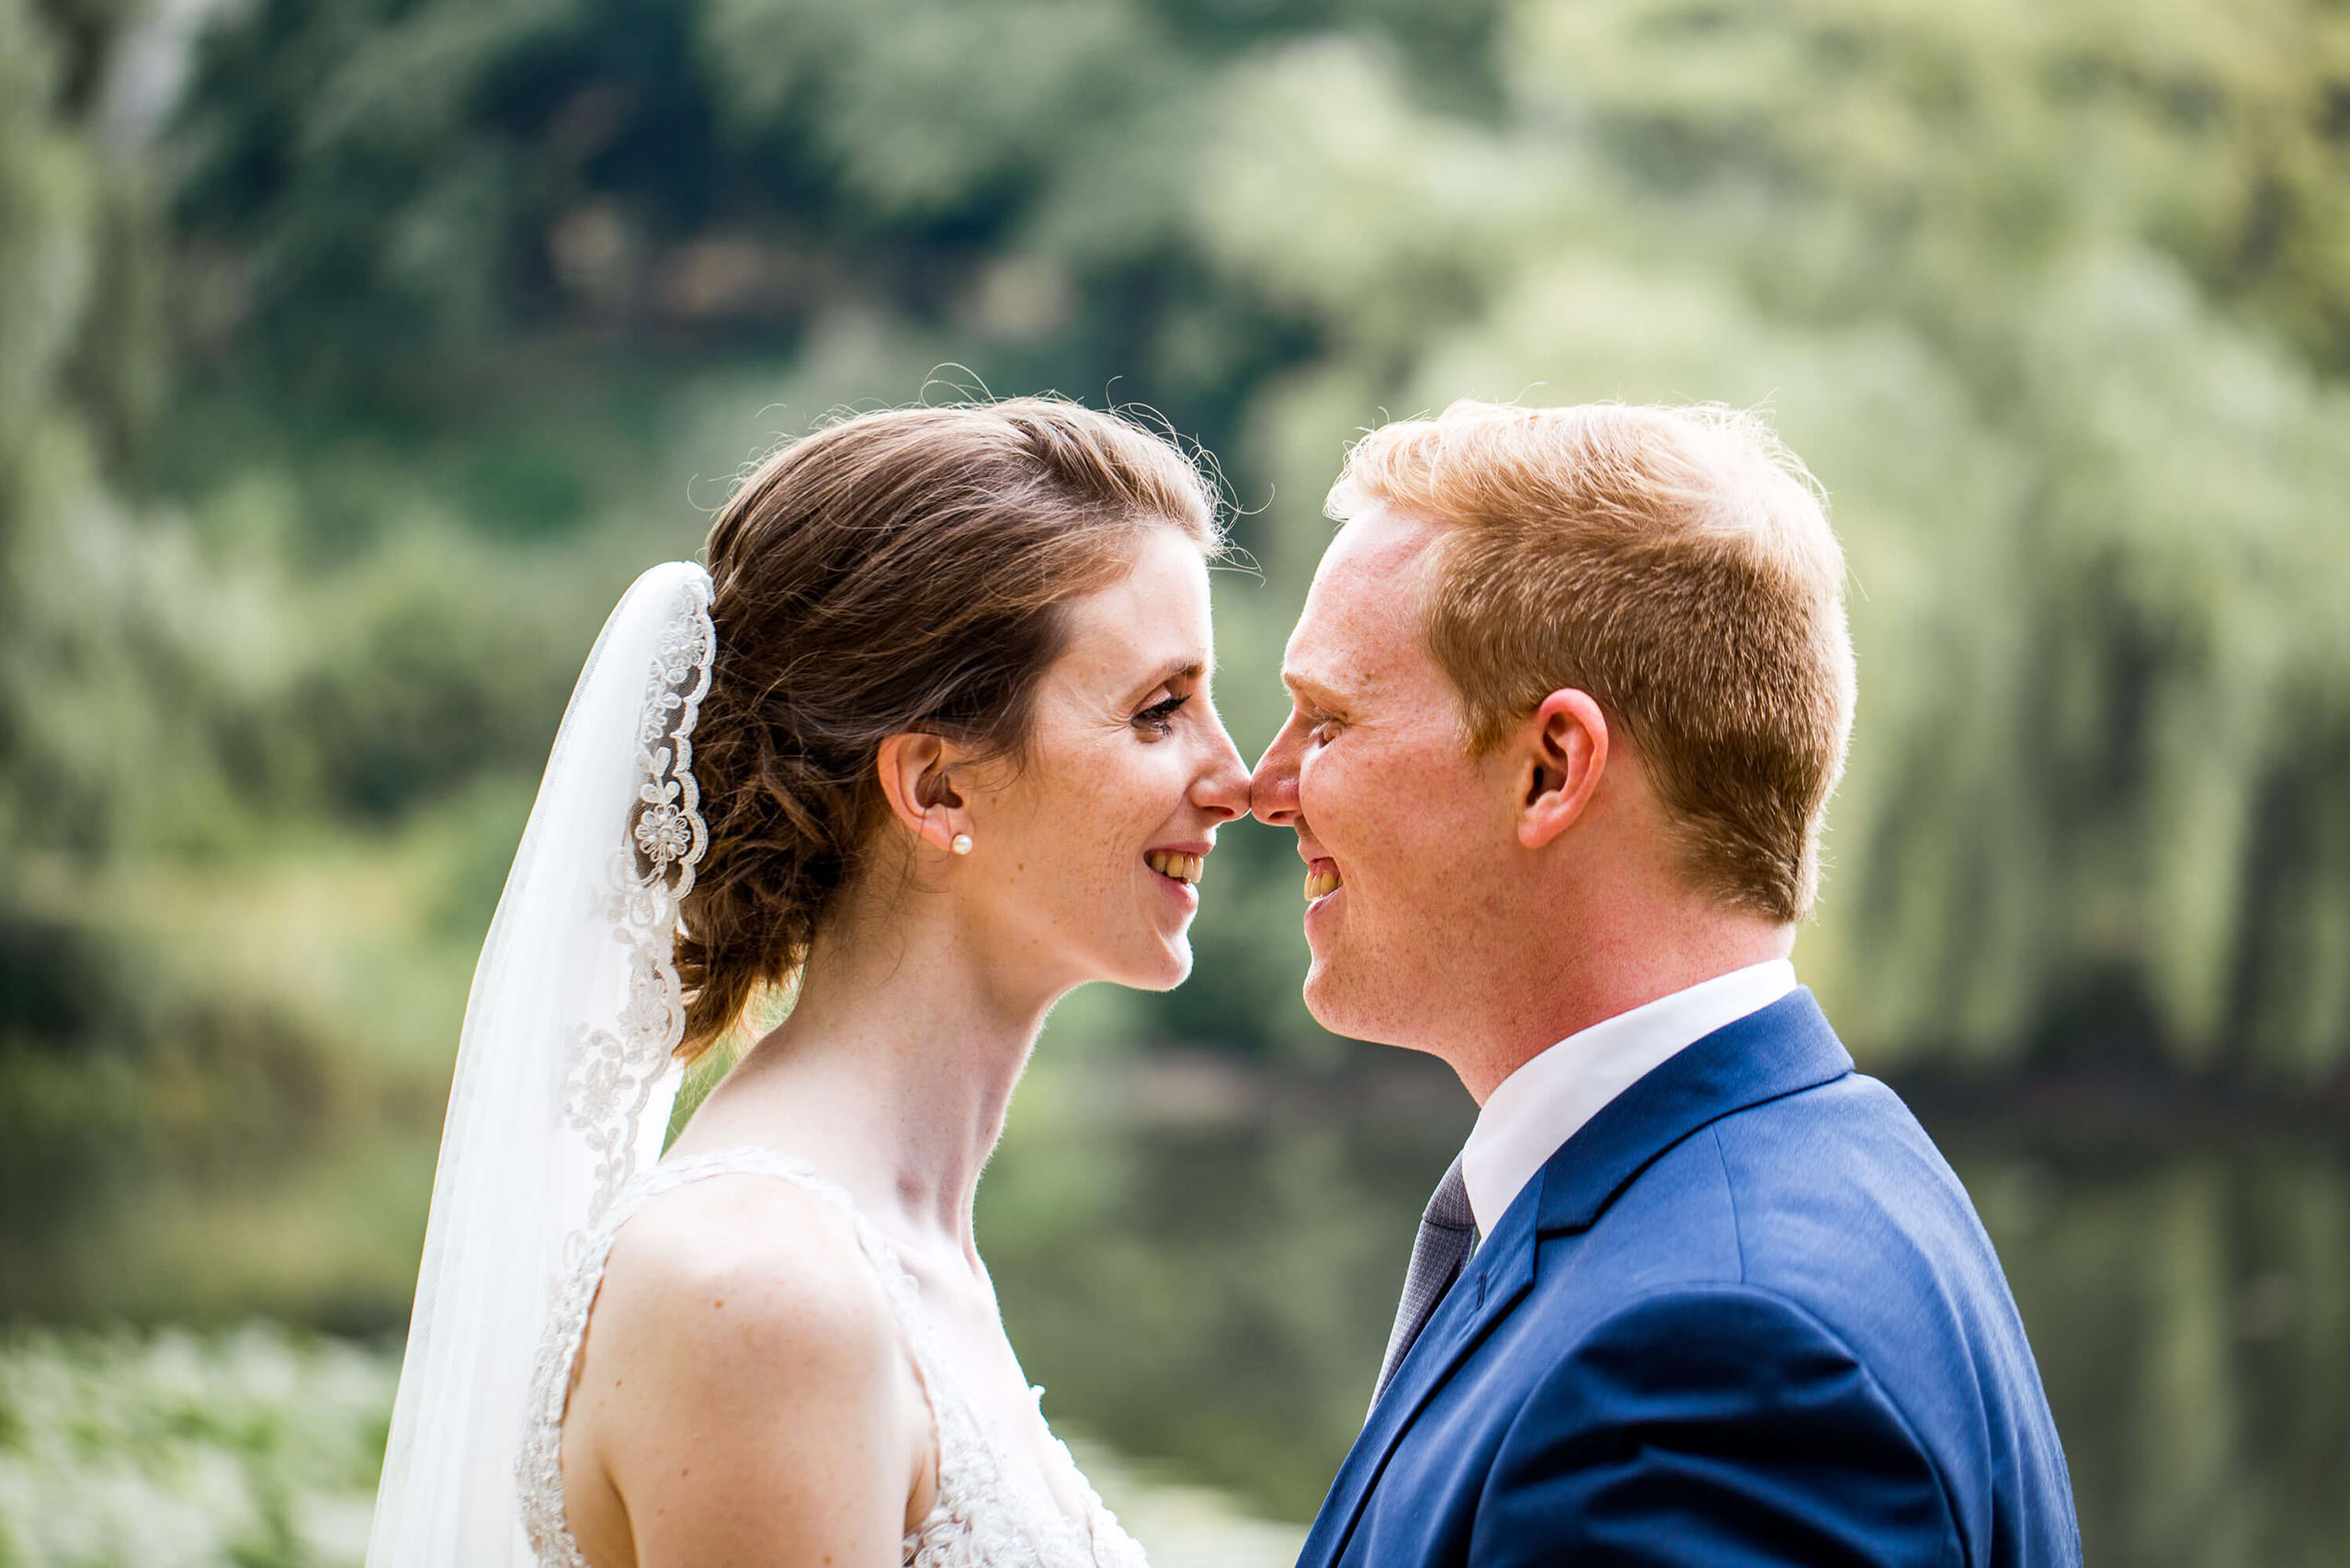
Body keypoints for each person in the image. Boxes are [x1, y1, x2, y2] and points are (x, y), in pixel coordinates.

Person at [367, 398, 1251, 1568]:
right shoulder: (760, 1296)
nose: (1236, 777)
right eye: (1159, 711)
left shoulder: (894, 1250)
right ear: (937, 788)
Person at [1252, 401, 2081, 1567]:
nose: (1263, 783)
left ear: (1552, 768)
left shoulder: (1711, 1360)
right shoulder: (1825, 1157)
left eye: (1326, 720)